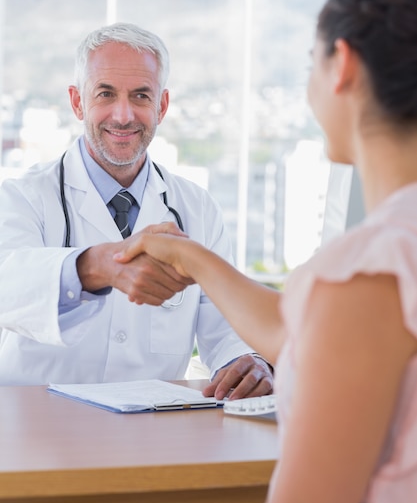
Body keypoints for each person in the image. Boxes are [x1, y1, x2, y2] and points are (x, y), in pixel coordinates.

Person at [114, 0, 417, 503]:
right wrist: (194, 259)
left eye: (310, 63)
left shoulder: (367, 270)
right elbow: (301, 330)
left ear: (341, 65)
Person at [0, 22, 273, 398]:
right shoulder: (21, 197)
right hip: (35, 430)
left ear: (161, 105)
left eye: (141, 96)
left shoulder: (196, 207)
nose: (124, 115)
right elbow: (8, 287)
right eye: (106, 94)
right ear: (78, 101)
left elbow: (222, 320)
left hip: (150, 432)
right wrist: (95, 266)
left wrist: (243, 361)